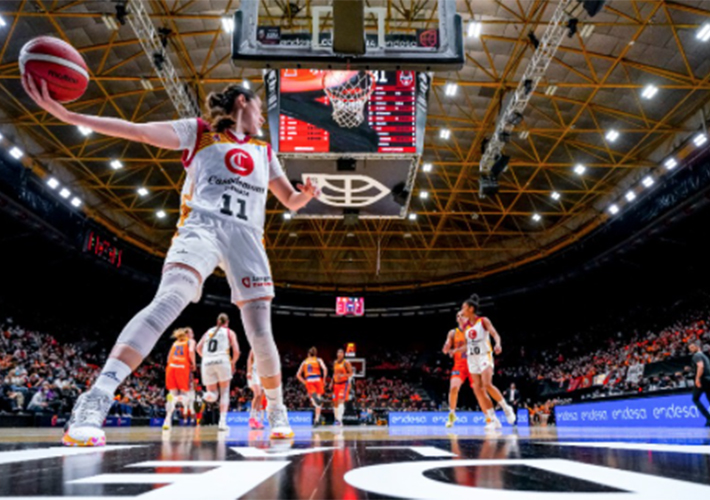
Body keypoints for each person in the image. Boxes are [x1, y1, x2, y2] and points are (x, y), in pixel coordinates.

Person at [23, 76, 320, 446]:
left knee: (261, 333)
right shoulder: (199, 132)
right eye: (260, 107)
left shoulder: (265, 151)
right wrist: (70, 116)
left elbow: (289, 200)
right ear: (243, 102)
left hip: (247, 237)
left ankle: (276, 409)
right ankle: (95, 400)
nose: (264, 116)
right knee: (169, 300)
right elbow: (140, 132)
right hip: (203, 226)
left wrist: (305, 195)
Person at [459, 295, 516, 430]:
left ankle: (507, 409)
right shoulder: (465, 327)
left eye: (464, 308)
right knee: (477, 390)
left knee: (487, 384)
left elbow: (495, 333)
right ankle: (493, 420)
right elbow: (468, 345)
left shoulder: (483, 321)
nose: (461, 310)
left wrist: (498, 344)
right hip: (472, 359)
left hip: (484, 356)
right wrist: (454, 350)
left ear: (471, 309)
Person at [196, 313, 240, 431]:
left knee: (213, 395)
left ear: (217, 322)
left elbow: (198, 348)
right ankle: (222, 422)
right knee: (224, 392)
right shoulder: (230, 332)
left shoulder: (208, 331)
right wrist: (233, 363)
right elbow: (236, 351)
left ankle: (202, 395)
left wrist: (205, 357)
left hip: (207, 361)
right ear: (227, 322)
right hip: (222, 360)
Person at [442, 312, 473, 428]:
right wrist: (446, 347)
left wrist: (456, 350)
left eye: (462, 315)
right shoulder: (453, 332)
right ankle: (452, 414)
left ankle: (489, 417)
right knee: (453, 388)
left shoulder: (472, 330)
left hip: (473, 364)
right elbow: (448, 343)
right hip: (459, 365)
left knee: (479, 390)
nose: (459, 317)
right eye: (458, 316)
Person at [162, 328, 196, 431]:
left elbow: (168, 357)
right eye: (192, 333)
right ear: (188, 334)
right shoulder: (190, 341)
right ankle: (178, 399)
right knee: (185, 396)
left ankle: (167, 420)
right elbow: (190, 351)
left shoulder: (175, 343)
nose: (193, 335)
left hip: (171, 367)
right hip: (182, 367)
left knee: (172, 395)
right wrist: (193, 364)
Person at [296, 347, 328, 426]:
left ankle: (314, 399)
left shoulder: (305, 361)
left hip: (309, 379)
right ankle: (316, 420)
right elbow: (325, 369)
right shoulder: (318, 360)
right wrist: (324, 379)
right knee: (319, 402)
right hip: (317, 379)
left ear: (308, 354)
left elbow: (298, 375)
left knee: (314, 400)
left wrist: (304, 382)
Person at [688, 341, 710, 427]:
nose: (691, 349)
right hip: (709, 379)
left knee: (695, 398)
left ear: (698, 346)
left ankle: (708, 418)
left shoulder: (696, 355)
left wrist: (697, 379)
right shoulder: (705, 356)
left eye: (692, 347)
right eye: (689, 348)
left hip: (703, 380)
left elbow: (701, 366)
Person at [331, 349, 353, 426]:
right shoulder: (335, 362)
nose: (339, 354)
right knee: (335, 402)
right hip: (336, 384)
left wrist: (343, 375)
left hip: (344, 384)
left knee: (341, 401)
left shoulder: (346, 363)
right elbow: (334, 373)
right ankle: (336, 419)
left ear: (343, 354)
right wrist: (331, 382)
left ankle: (339, 420)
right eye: (338, 352)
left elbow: (351, 373)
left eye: (340, 352)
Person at [247, 350, 265, 429]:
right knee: (257, 394)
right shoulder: (255, 346)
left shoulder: (267, 347)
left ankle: (256, 420)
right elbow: (249, 359)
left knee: (260, 397)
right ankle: (251, 418)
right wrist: (249, 371)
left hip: (262, 373)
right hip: (254, 372)